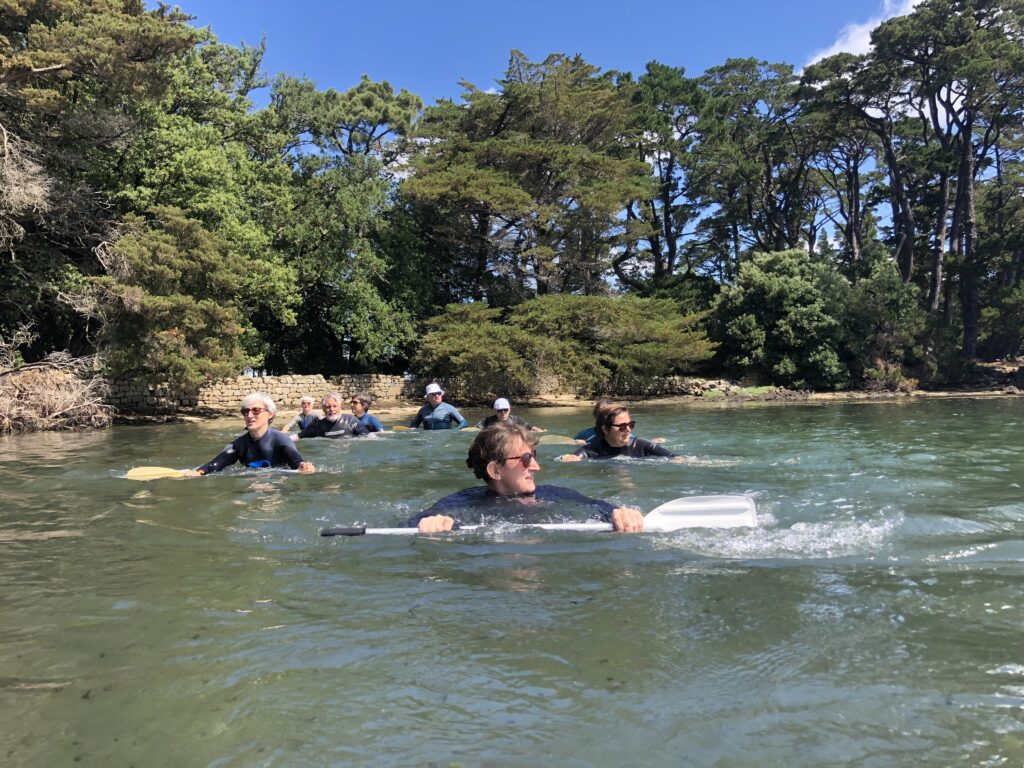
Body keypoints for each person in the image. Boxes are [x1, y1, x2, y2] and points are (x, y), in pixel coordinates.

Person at [409, 422, 644, 533]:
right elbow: (413, 522)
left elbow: (598, 507)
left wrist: (618, 512)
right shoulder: (464, 502)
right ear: (495, 470)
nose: (536, 466)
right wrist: (430, 523)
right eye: (524, 459)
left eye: (534, 456)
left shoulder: (553, 494)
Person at [181, 392, 315, 476]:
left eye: (256, 410)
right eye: (246, 411)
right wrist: (198, 472)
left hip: (277, 485)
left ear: (270, 414)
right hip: (250, 485)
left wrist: (303, 466)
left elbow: (296, 462)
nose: (250, 415)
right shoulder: (238, 445)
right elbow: (215, 465)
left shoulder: (281, 440)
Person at [560, 403, 680, 462]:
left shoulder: (644, 446)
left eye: (630, 425)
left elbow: (675, 458)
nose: (628, 430)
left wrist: (678, 460)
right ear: (605, 429)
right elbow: (567, 459)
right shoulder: (590, 451)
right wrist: (567, 459)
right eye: (622, 426)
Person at [293, 392, 369, 439]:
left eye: (335, 406)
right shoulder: (317, 425)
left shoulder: (352, 421)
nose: (332, 409)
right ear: (323, 409)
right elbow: (297, 436)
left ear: (340, 407)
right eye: (328, 407)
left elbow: (369, 438)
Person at [474, 397, 545, 431]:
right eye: (500, 410)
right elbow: (475, 429)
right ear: (495, 410)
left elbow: (531, 427)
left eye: (505, 410)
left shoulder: (517, 420)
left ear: (510, 409)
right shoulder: (488, 421)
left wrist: (537, 429)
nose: (503, 413)